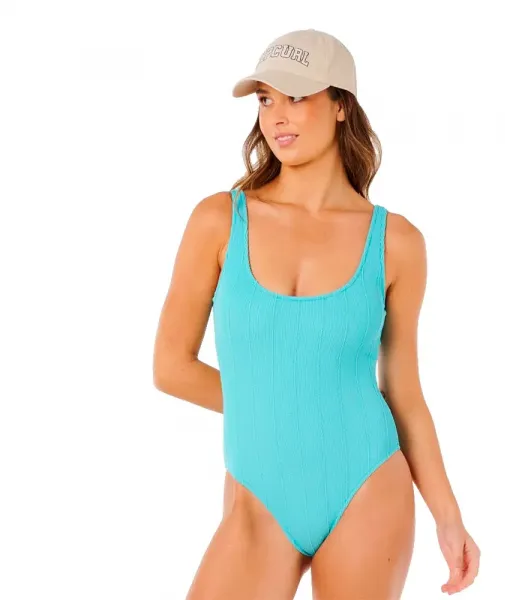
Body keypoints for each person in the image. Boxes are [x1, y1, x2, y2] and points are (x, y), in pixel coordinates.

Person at [153, 28, 480, 600]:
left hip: (367, 482)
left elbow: (403, 393)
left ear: (340, 105)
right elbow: (171, 368)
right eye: (266, 99)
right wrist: (282, 408)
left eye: (297, 96)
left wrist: (448, 517)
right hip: (258, 492)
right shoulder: (219, 221)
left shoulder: (397, 243)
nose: (278, 115)